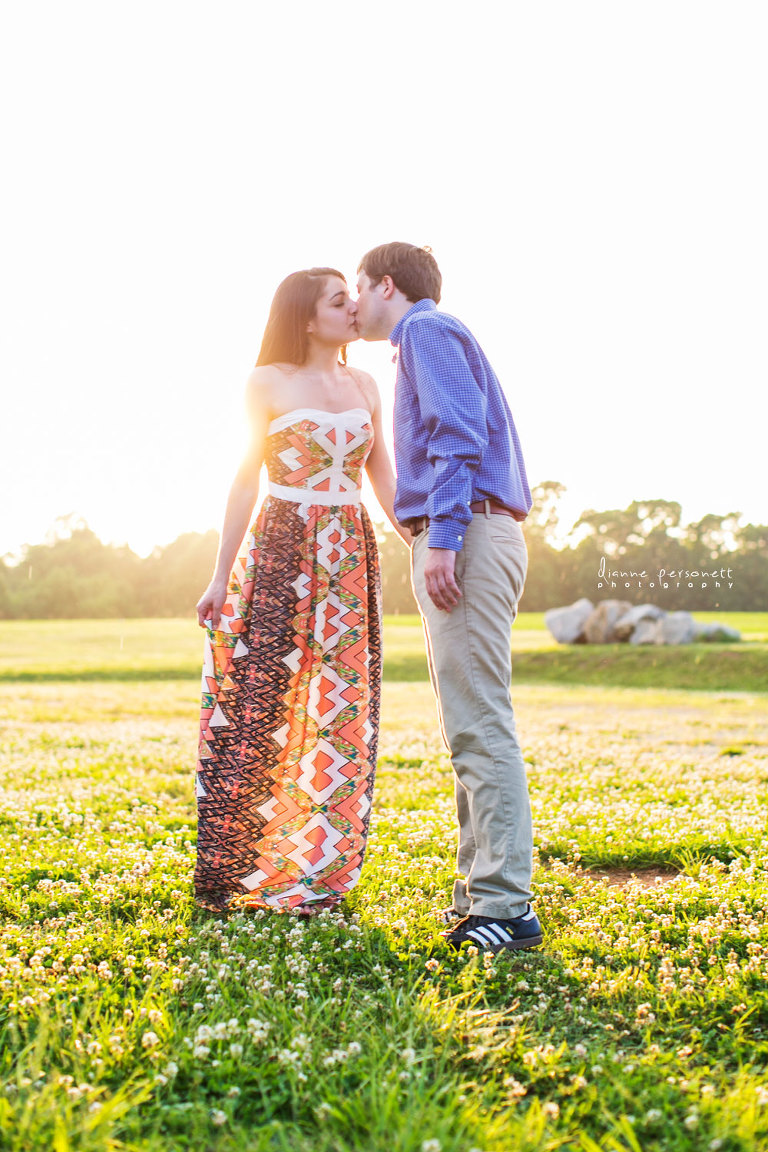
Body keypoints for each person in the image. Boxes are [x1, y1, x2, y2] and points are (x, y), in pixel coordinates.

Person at [194, 267, 405, 914]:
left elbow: (385, 481)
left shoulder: (367, 383)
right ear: (306, 319)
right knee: (264, 704)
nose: (354, 309)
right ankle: (240, 862)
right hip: (281, 547)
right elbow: (242, 485)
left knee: (343, 706)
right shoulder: (267, 383)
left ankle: (323, 868)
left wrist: (428, 546)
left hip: (348, 553)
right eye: (340, 302)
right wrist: (218, 576)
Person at [354, 242, 542, 952]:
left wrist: (445, 536)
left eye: (359, 287)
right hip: (464, 531)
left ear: (387, 286)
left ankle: (507, 907)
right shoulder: (424, 338)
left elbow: (457, 436)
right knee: (467, 722)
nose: (356, 303)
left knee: (482, 721)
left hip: (466, 534)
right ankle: (479, 894)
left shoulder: (425, 331)